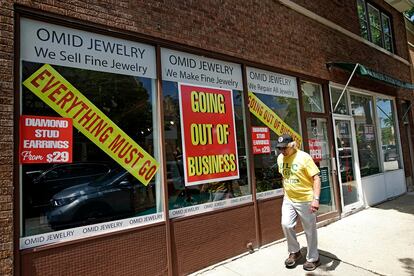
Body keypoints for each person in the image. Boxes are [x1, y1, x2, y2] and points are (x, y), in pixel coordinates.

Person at [276, 134, 321, 271]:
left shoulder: (304, 157)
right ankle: (295, 252)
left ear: (292, 145)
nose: (282, 151)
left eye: (285, 148)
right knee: (286, 224)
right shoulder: (280, 158)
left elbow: (316, 178)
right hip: (289, 199)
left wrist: (316, 199)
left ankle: (313, 258)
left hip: (306, 199)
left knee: (309, 230)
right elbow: (284, 177)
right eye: (280, 148)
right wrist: (285, 194)